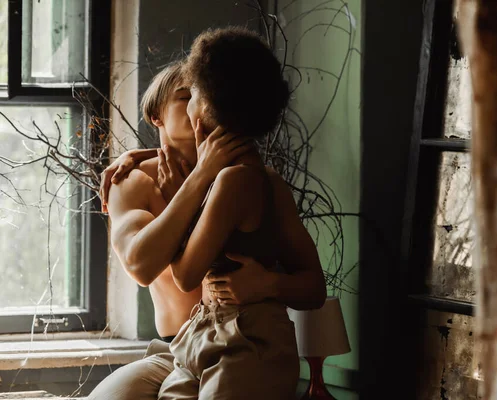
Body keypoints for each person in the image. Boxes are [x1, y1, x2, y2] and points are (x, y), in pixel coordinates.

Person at [88, 28, 326, 400]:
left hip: (239, 336)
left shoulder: (256, 181)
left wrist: (267, 284)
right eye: (183, 96)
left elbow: (188, 275)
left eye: (194, 93)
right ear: (156, 117)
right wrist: (185, 176)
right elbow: (140, 265)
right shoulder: (132, 179)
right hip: (179, 344)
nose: (189, 103)